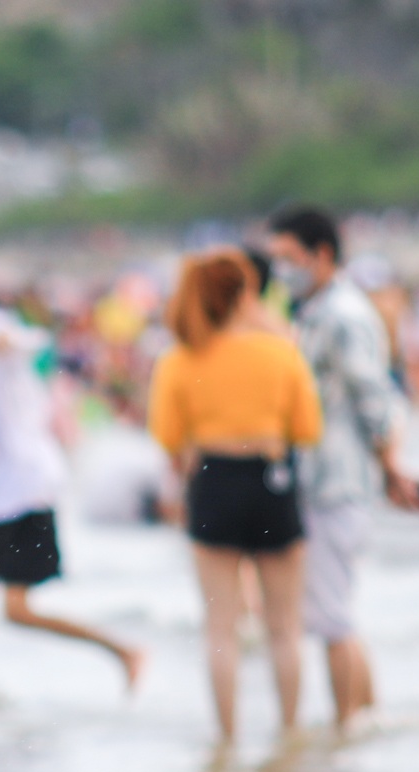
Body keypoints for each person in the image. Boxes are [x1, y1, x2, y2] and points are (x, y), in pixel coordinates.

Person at [0, 235, 145, 699]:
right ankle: (121, 652)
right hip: (11, 486)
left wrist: (16, 341)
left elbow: (17, 338)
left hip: (21, 486)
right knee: (4, 608)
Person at [147, 248, 323, 744]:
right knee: (284, 628)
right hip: (271, 478)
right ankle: (289, 736)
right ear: (244, 295)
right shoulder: (280, 351)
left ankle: (227, 741)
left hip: (213, 481)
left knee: (221, 630)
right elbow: (308, 429)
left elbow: (167, 436)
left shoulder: (179, 359)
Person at [266, 205, 419, 733]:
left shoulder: (341, 315)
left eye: (288, 257)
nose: (281, 269)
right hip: (329, 479)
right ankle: (366, 726)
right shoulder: (316, 310)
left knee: (331, 620)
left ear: (322, 254)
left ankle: (345, 733)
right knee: (339, 616)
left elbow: (375, 398)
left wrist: (391, 466)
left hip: (337, 481)